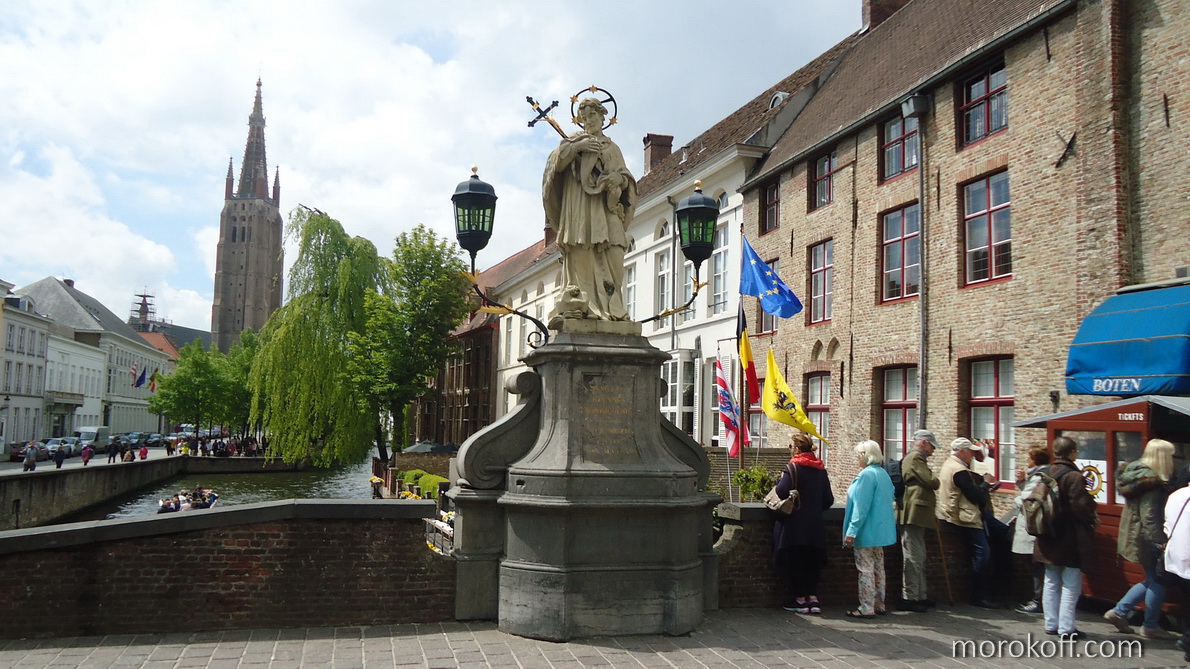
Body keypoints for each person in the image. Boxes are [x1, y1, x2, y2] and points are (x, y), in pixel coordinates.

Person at [542, 96, 637, 325]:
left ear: (603, 116)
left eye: (592, 115)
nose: (588, 120)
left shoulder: (612, 148)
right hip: (580, 211)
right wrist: (578, 147)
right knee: (581, 253)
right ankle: (587, 308)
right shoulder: (573, 141)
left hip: (606, 211)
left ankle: (614, 310)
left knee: (615, 256)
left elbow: (626, 177)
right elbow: (555, 166)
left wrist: (618, 179)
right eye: (584, 117)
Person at [1103, 438, 1175, 638]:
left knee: (1151, 578)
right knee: (1158, 580)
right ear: (1162, 457)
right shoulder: (1153, 483)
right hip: (1147, 538)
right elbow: (1149, 516)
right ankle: (1149, 625)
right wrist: (1161, 541)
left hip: (1134, 535)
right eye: (1170, 455)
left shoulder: (1134, 475)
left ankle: (1119, 611)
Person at [1034, 435, 1098, 639]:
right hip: (1069, 536)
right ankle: (1066, 628)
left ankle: (1051, 624)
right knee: (1071, 583)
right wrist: (1092, 515)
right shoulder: (1074, 476)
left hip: (1047, 534)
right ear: (1072, 453)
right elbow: (1081, 507)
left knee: (1051, 580)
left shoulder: (1046, 472)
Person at [772, 433, 834, 614]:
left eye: (791, 447)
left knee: (796, 562)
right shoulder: (820, 469)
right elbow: (829, 499)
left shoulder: (793, 468)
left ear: (797, 449)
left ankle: (800, 600)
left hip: (795, 526)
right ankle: (813, 599)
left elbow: (781, 491)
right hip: (815, 526)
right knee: (813, 562)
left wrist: (781, 480)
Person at [937, 437, 1000, 608]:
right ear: (961, 451)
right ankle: (979, 595)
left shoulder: (949, 465)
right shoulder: (959, 471)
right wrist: (986, 484)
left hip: (955, 513)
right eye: (970, 451)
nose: (972, 454)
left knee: (1000, 532)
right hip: (966, 517)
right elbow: (975, 495)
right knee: (983, 554)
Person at [842, 440, 897, 618]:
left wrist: (852, 530)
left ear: (865, 455)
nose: (857, 458)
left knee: (865, 569)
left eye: (858, 455)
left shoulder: (866, 475)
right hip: (880, 531)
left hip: (866, 531)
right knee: (878, 569)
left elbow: (861, 507)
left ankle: (866, 607)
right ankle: (879, 603)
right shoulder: (883, 474)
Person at [896, 429, 941, 613]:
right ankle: (910, 596)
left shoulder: (917, 458)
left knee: (919, 556)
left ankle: (920, 595)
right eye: (932, 446)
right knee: (913, 556)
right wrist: (935, 479)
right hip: (912, 513)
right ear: (923, 442)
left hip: (918, 513)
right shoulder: (915, 458)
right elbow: (931, 481)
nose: (933, 450)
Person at [1011, 446, 1052, 614]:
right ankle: (1040, 600)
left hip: (1032, 526)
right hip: (1036, 526)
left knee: (1036, 565)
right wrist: (1022, 482)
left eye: (1028, 458)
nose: (1026, 461)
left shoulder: (1039, 476)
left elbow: (1027, 500)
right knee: (1037, 565)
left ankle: (1038, 600)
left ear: (1035, 460)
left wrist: (1016, 499)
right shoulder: (1041, 474)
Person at [1162, 478, 1190, 662]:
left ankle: (1188, 642)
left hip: (1177, 558)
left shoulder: (1175, 495)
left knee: (1186, 602)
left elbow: (1167, 526)